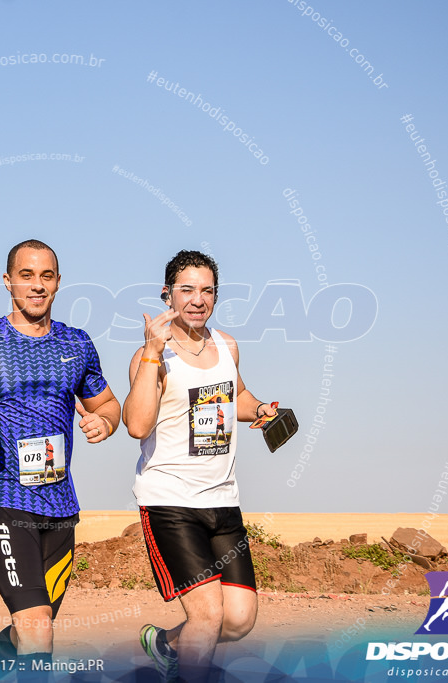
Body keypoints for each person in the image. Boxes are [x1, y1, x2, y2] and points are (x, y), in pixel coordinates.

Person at [0, 239, 121, 678]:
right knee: (38, 630)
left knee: (32, 628)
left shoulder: (77, 344)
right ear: (8, 281)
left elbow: (109, 404)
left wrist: (104, 423)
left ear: (58, 283)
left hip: (60, 506)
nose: (37, 286)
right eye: (27, 276)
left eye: (46, 276)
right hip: (1, 498)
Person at [123, 250, 278, 682]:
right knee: (207, 615)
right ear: (166, 295)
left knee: (239, 620)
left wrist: (261, 408)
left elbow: (237, 396)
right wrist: (154, 351)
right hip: (170, 503)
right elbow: (136, 424)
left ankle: (165, 644)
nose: (197, 299)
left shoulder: (227, 346)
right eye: (186, 289)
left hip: (224, 501)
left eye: (207, 290)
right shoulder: (149, 357)